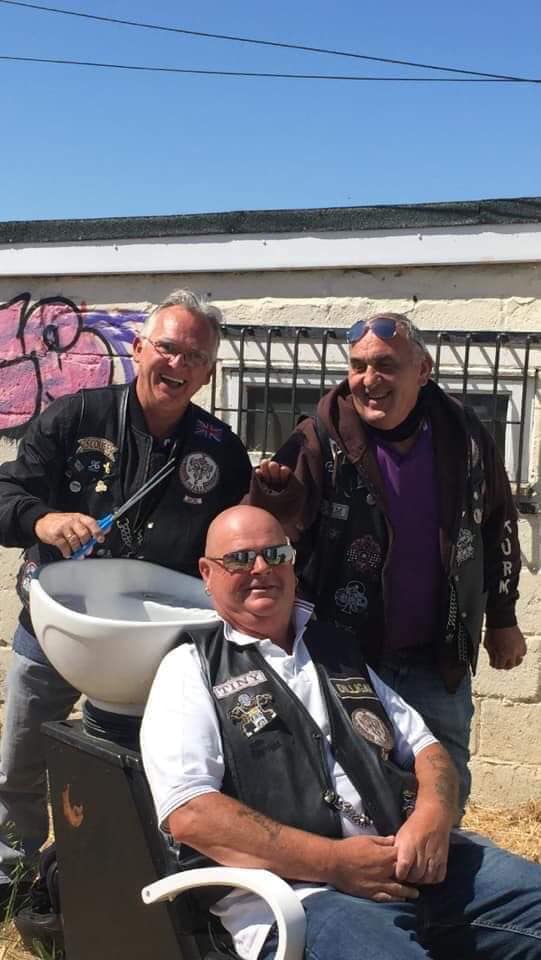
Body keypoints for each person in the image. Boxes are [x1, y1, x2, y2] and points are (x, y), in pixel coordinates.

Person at [141, 505, 541, 960]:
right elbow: (191, 813)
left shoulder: (335, 649)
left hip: (414, 868)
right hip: (305, 898)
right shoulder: (190, 669)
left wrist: (432, 815)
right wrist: (334, 862)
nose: (261, 568)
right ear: (207, 573)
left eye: (276, 554)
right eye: (240, 558)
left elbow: (428, 750)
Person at [0, 288, 252, 900]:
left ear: (209, 372)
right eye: (167, 347)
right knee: (20, 763)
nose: (177, 364)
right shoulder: (74, 417)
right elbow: (5, 494)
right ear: (138, 348)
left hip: (156, 650)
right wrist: (43, 521)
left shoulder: (222, 449)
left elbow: (233, 544)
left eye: (195, 356)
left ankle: (116, 888)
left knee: (141, 773)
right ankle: (12, 876)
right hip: (58, 630)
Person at [247, 313, 525, 810]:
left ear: (423, 370)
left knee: (444, 790)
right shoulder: (318, 438)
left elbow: (498, 521)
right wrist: (275, 501)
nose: (368, 380)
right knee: (350, 790)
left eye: (385, 366)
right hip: (345, 656)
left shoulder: (464, 436)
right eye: (358, 366)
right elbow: (265, 534)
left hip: (438, 656)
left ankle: (441, 860)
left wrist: (502, 618)